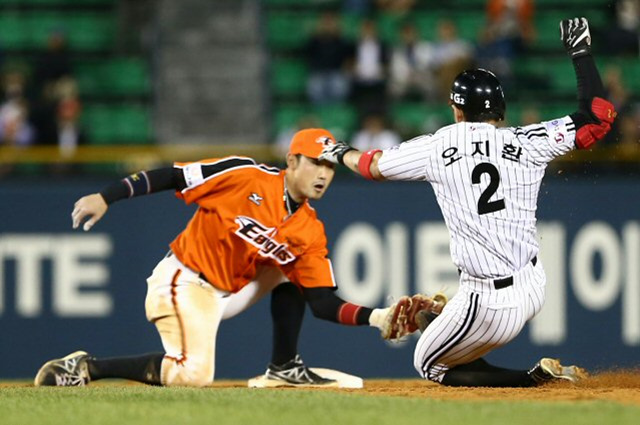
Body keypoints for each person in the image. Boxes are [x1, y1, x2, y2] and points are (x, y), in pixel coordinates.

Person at [320, 17, 616, 387]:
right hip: (533, 284)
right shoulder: (528, 140)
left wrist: (339, 151)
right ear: (500, 111)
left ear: (456, 110)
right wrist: (580, 51)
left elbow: (372, 166)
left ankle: (536, 379)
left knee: (429, 365)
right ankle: (443, 321)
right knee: (438, 323)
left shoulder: (440, 145)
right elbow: (598, 117)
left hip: (489, 300)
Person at [34, 129, 407, 388]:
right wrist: (107, 196)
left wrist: (378, 317)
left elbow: (322, 301)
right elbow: (172, 176)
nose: (324, 173)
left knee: (293, 271)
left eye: (330, 166)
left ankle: (283, 367)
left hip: (225, 296)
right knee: (193, 375)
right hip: (183, 279)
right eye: (315, 163)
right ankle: (86, 367)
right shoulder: (245, 175)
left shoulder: (309, 229)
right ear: (292, 161)